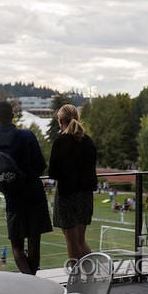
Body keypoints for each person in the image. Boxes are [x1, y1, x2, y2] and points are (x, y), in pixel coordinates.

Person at [0, 100, 52, 275]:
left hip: (13, 197)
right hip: (34, 194)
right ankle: (32, 283)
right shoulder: (26, 136)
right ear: (13, 116)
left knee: (17, 247)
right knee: (34, 244)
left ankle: (29, 283)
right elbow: (40, 165)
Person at [48, 104, 97, 268]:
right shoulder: (88, 141)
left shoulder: (60, 141)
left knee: (71, 239)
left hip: (67, 195)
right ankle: (94, 275)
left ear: (60, 121)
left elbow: (53, 173)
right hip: (85, 196)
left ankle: (77, 278)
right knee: (80, 240)